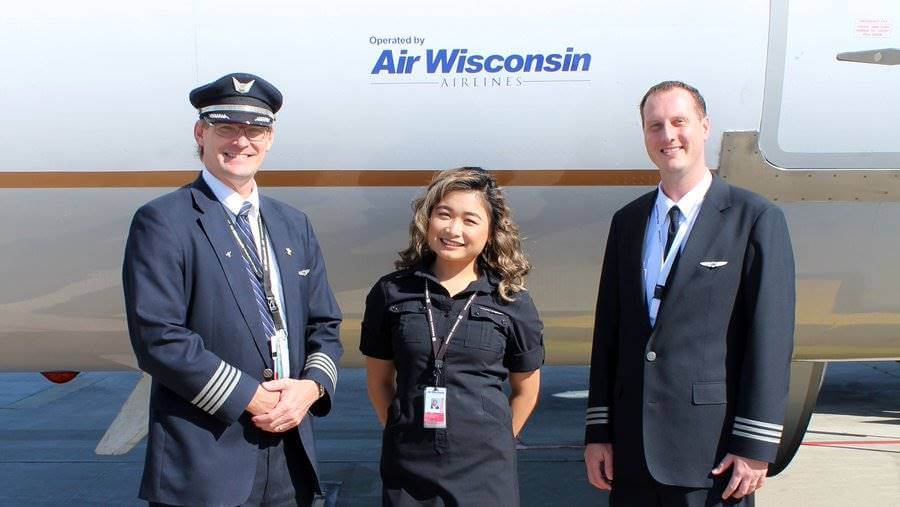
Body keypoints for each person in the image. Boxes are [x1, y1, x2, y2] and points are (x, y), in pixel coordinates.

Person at [123, 72, 343, 506]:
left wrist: (311, 388)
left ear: (270, 138)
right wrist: (251, 398)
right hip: (207, 459)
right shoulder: (164, 221)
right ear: (200, 133)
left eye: (255, 129)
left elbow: (325, 323)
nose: (241, 141)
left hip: (290, 456)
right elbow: (158, 338)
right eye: (227, 127)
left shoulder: (292, 224)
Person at [583, 81, 795, 506]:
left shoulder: (753, 219)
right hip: (631, 454)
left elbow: (769, 339)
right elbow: (609, 333)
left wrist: (754, 445)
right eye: (655, 126)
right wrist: (598, 432)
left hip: (710, 454)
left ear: (704, 126)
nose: (668, 136)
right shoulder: (628, 222)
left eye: (679, 122)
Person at [360, 167, 544, 506]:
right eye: (444, 215)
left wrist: (495, 442)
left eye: (470, 220)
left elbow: (526, 389)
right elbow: (378, 382)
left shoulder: (512, 301)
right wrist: (403, 432)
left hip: (486, 472)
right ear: (427, 219)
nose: (453, 229)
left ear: (491, 232)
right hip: (409, 470)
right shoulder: (391, 293)